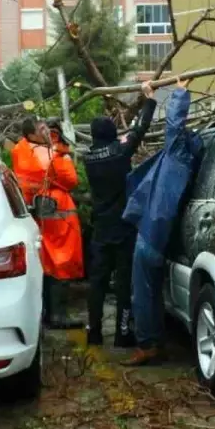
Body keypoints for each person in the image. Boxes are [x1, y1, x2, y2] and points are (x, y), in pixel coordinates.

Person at [122, 77, 202, 367]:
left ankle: (148, 345)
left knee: (142, 292)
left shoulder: (179, 157)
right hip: (157, 231)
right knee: (152, 291)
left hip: (152, 232)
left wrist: (179, 92)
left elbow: (174, 125)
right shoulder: (184, 162)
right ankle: (154, 342)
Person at [81, 82, 158, 347]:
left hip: (101, 229)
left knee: (97, 282)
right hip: (123, 228)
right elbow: (139, 129)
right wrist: (149, 99)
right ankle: (123, 334)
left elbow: (124, 138)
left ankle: (94, 332)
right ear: (112, 132)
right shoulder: (120, 152)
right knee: (124, 283)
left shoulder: (88, 158)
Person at [11, 117, 85, 329]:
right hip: (58, 215)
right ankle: (58, 315)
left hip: (39, 211)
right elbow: (70, 180)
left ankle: (47, 313)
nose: (46, 130)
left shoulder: (20, 150)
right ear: (32, 134)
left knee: (47, 262)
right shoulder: (48, 153)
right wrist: (62, 153)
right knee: (62, 261)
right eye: (41, 128)